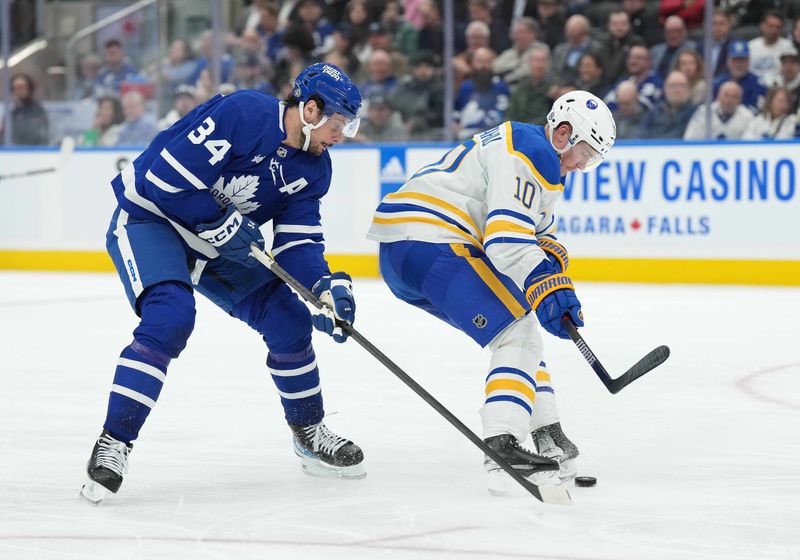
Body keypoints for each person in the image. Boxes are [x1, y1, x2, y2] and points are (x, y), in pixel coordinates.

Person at [80, 63, 366, 504]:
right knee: (171, 317)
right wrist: (223, 222)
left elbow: (297, 243)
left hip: (218, 243)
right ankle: (114, 441)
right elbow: (165, 181)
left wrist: (326, 287)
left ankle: (308, 431)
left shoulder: (314, 169)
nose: (342, 134)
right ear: (311, 109)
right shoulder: (245, 113)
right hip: (152, 219)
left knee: (289, 321)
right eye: (339, 122)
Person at [366, 91, 616, 494]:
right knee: (519, 332)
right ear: (563, 133)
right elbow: (506, 241)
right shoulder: (532, 151)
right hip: (433, 241)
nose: (583, 164)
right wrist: (547, 284)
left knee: (516, 330)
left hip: (407, 252)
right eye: (585, 152)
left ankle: (546, 430)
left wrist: (549, 267)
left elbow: (536, 234)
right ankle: (503, 443)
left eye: (593, 159)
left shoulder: (535, 153)